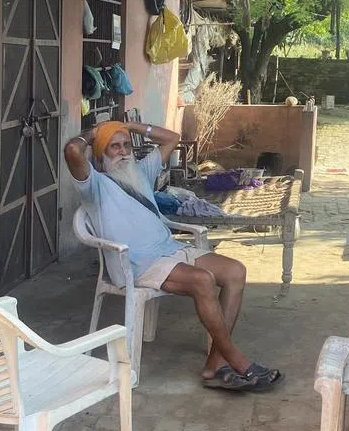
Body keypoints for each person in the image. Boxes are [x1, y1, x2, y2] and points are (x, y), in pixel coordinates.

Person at [64, 119, 282, 391]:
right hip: (138, 262)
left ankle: (214, 363)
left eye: (126, 146)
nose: (123, 152)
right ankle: (237, 360)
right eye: (114, 147)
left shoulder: (140, 171)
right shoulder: (93, 185)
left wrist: (129, 126)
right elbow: (72, 150)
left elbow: (171, 138)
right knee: (202, 280)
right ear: (100, 154)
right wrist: (95, 132)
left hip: (171, 250)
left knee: (235, 271)